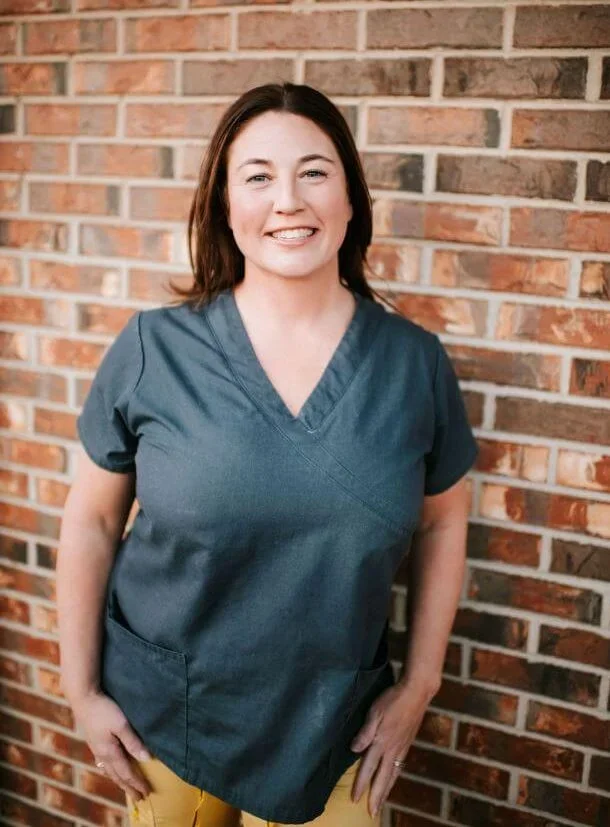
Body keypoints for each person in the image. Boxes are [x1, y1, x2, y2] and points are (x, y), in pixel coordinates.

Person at [57, 82, 479, 827]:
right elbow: (91, 520)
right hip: (165, 721)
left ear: (351, 200)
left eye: (314, 172)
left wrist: (420, 686)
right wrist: (80, 691)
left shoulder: (415, 365)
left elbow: (443, 523)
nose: (288, 200)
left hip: (335, 734)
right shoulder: (155, 348)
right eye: (257, 176)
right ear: (225, 204)